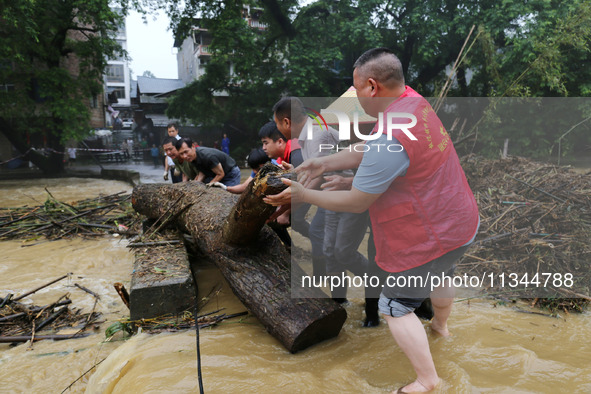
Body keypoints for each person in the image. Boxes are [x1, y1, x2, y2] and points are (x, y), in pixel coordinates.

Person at [265, 48, 479, 393]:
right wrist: (324, 163)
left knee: (393, 305)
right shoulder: (412, 103)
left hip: (430, 232)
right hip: (461, 221)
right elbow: (372, 149)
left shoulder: (389, 135)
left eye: (355, 88)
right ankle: (441, 328)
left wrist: (303, 196)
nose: (355, 96)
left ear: (371, 86)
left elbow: (357, 201)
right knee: (443, 273)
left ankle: (428, 381)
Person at [176, 137, 241, 187]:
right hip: (215, 174)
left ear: (193, 146)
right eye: (181, 154)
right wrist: (196, 184)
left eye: (186, 152)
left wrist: (208, 187)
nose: (184, 156)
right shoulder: (192, 157)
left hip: (230, 173)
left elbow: (220, 174)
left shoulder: (207, 156)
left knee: (227, 197)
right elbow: (202, 171)